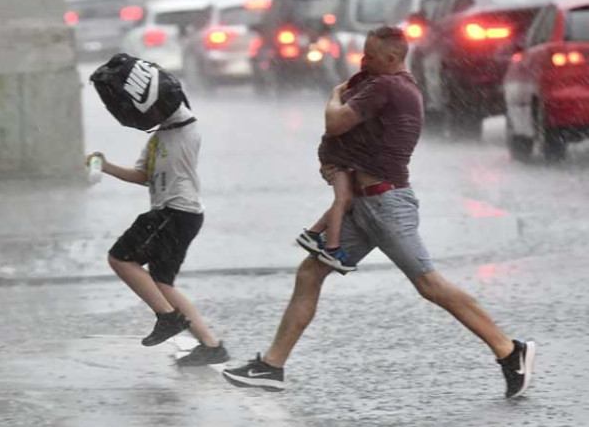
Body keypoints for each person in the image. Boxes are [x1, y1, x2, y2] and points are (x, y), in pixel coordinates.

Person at [222, 26, 535, 398]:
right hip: (367, 205)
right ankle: (272, 366)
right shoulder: (392, 85)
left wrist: (333, 95)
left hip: (387, 205)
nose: (362, 60)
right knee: (309, 273)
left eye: (369, 56)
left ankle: (509, 350)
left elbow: (335, 122)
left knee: (429, 284)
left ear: (391, 58)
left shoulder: (389, 86)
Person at [88, 103, 229, 366]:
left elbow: (173, 105)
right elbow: (143, 175)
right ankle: (211, 346)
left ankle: (167, 317)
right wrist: (106, 166)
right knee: (162, 284)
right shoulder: (157, 137)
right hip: (178, 213)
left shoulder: (184, 127)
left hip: (175, 211)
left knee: (120, 258)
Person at [296, 69, 373, 272]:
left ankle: (313, 233)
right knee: (343, 199)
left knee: (347, 200)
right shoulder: (354, 103)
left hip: (339, 156)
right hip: (338, 158)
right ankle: (331, 247)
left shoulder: (353, 99)